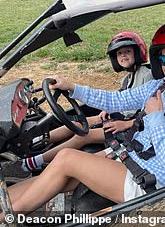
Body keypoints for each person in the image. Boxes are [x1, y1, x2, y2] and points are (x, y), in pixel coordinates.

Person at [0, 20, 165, 219]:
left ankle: (5, 218)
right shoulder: (158, 87)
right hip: (130, 159)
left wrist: (156, 117)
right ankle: (4, 199)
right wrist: (73, 88)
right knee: (58, 175)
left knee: (67, 158)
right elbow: (115, 100)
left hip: (150, 184)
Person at [2, 31, 153, 180]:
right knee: (75, 123)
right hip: (123, 118)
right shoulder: (127, 79)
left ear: (138, 53)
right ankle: (30, 142)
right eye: (119, 53)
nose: (123, 56)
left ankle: (29, 164)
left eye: (127, 51)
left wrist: (126, 124)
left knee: (82, 135)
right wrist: (108, 108)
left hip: (134, 127)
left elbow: (151, 112)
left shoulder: (147, 75)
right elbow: (121, 97)